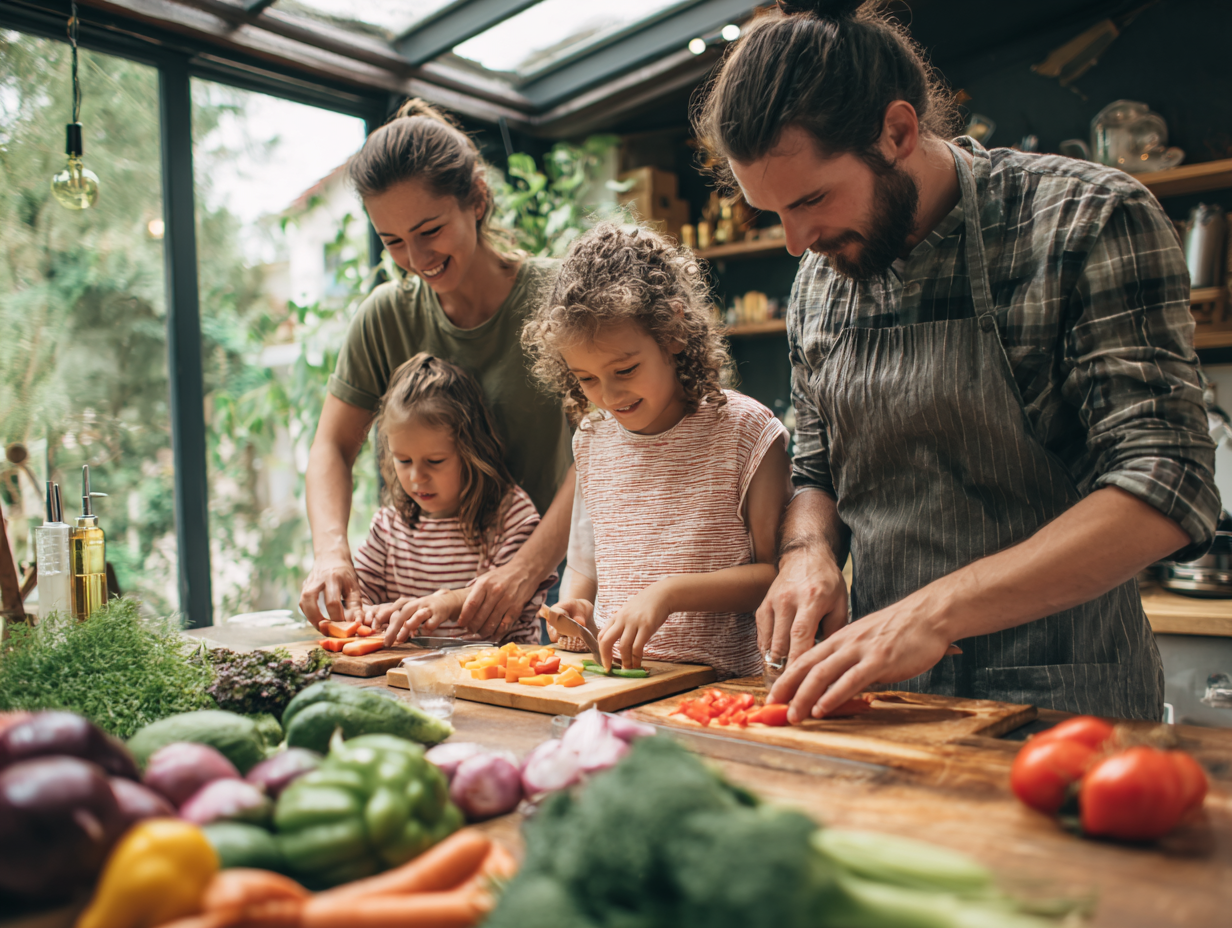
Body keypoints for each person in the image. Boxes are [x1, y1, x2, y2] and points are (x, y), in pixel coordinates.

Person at [694, 0, 1219, 719]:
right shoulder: (824, 279)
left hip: (1070, 704)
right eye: (773, 213)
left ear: (899, 131)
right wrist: (807, 552)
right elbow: (816, 471)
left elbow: (1169, 482)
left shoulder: (1085, 219)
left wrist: (934, 613)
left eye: (812, 199)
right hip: (886, 702)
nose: (795, 242)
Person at [299, 99, 573, 642]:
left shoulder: (559, 297)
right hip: (433, 611)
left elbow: (602, 455)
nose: (416, 257)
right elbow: (331, 447)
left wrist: (524, 570)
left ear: (476, 197)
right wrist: (331, 553)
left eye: (429, 229)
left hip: (553, 588)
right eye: (392, 241)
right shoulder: (385, 315)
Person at [522, 223, 792, 679]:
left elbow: (775, 576)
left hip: (722, 692)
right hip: (615, 688)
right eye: (586, 378)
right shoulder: (591, 439)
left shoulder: (747, 432)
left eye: (625, 369)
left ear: (673, 332)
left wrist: (668, 593)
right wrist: (577, 607)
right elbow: (585, 568)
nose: (607, 395)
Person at [353, 353, 552, 646]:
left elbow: (507, 601)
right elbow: (360, 593)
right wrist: (368, 613)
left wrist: (444, 603)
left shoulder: (511, 515)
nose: (417, 477)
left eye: (434, 461)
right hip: (411, 681)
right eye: (403, 460)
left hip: (497, 681)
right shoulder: (389, 523)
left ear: (471, 451)